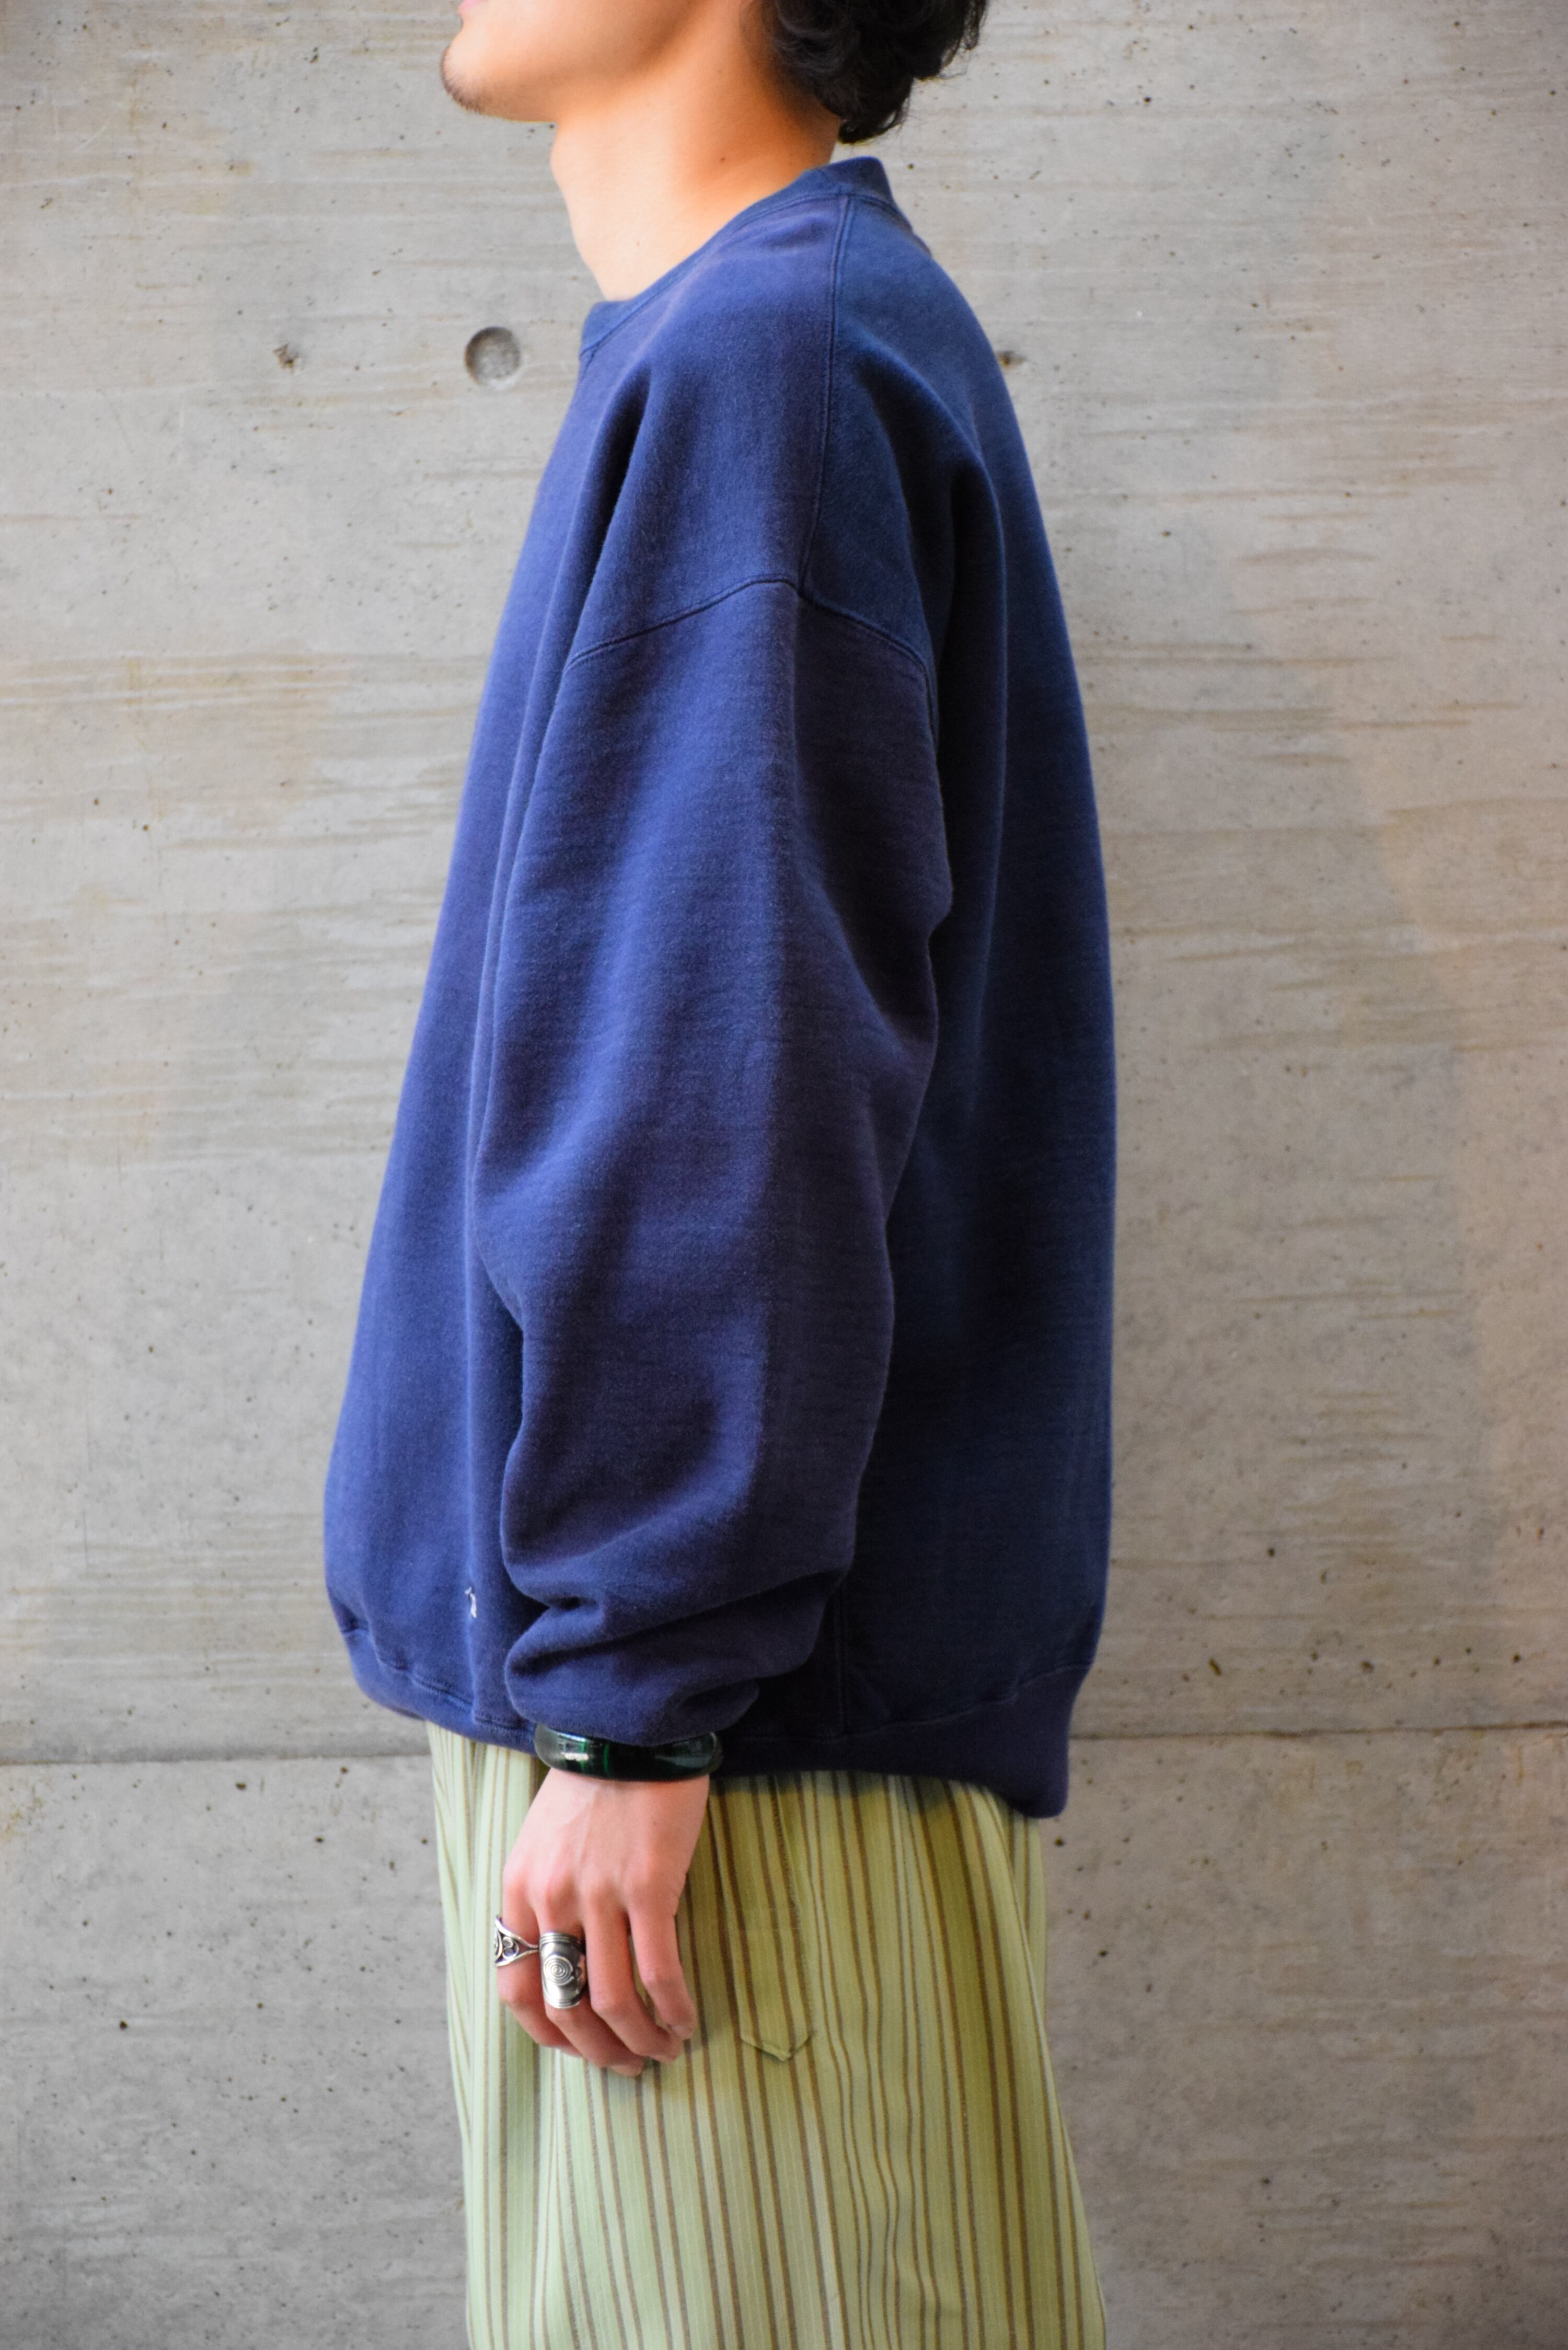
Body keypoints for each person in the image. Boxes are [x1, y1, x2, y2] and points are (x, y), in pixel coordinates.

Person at [322, 0, 1116, 2339]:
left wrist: (637, 1694)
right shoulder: (773, 339)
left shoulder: (770, 362)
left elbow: (728, 1077)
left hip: (720, 1750)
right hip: (719, 1713)